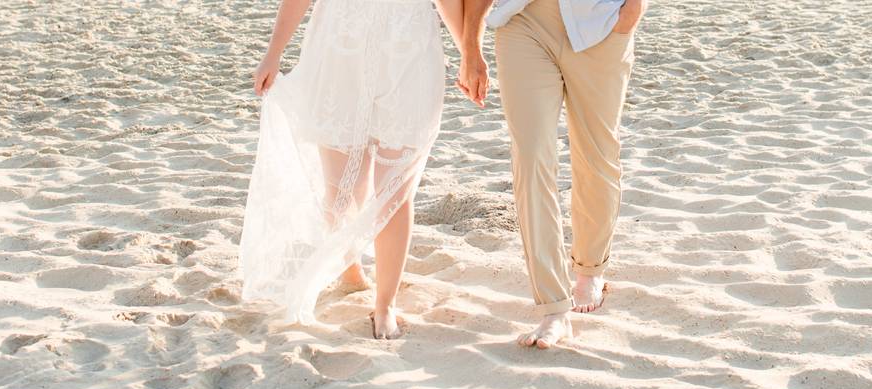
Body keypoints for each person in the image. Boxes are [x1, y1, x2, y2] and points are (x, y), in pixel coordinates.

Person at [239, 0, 464, 339]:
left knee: (396, 190)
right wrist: (273, 52)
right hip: (340, 47)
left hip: (409, 51)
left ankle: (385, 303)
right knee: (342, 191)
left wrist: (469, 53)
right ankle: (350, 270)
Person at [459, 0, 646, 348]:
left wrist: (632, 11)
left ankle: (590, 268)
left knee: (597, 156)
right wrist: (470, 48)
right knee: (531, 158)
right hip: (522, 24)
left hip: (602, 25)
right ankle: (553, 306)